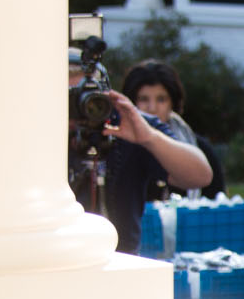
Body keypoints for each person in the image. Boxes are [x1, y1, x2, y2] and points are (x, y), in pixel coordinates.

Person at [67, 53, 211, 253]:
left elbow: (200, 175)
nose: (77, 110)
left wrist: (150, 137)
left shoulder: (125, 124)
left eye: (83, 98)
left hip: (121, 262)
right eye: (67, 100)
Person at [122, 60, 227, 198]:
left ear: (173, 103)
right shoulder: (119, 148)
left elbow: (216, 199)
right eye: (144, 99)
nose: (152, 108)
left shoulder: (199, 148)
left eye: (161, 99)